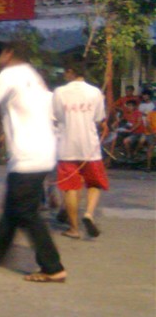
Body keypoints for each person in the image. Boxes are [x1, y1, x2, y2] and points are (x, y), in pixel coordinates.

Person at [0, 41, 66, 283]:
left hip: (29, 155)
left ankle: (53, 267)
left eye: (0, 53)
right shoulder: (34, 77)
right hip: (41, 152)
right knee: (12, 206)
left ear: (9, 53)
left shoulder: (11, 74)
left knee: (26, 212)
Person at [52, 59, 108, 239]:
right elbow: (98, 118)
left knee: (70, 188)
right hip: (90, 147)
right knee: (94, 184)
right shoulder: (95, 92)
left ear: (70, 71)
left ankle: (74, 229)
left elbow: (56, 117)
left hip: (67, 146)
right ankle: (89, 214)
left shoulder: (60, 92)